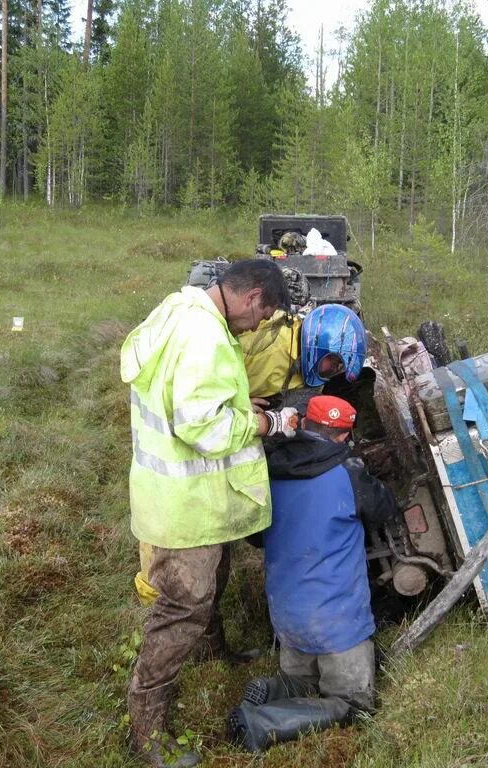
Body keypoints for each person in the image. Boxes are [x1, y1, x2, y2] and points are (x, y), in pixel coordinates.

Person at [120, 258, 298, 767]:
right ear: (252, 298)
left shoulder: (182, 308)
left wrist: (246, 404)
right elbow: (204, 428)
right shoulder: (206, 336)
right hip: (183, 504)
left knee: (213, 577)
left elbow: (194, 397)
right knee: (182, 606)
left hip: (175, 491)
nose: (257, 328)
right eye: (261, 317)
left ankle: (210, 649)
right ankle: (147, 729)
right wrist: (266, 426)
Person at [227, 395, 396, 753]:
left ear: (302, 423)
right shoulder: (348, 473)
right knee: (354, 704)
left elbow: (256, 537)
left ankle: (277, 689)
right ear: (343, 436)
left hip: (287, 619)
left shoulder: (268, 471)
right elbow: (384, 512)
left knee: (305, 681)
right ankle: (262, 724)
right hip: (338, 625)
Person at [241, 302, 367, 412]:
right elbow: (222, 370)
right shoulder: (269, 348)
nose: (334, 369)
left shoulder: (309, 367)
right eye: (334, 362)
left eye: (338, 366)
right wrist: (240, 405)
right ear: (317, 347)